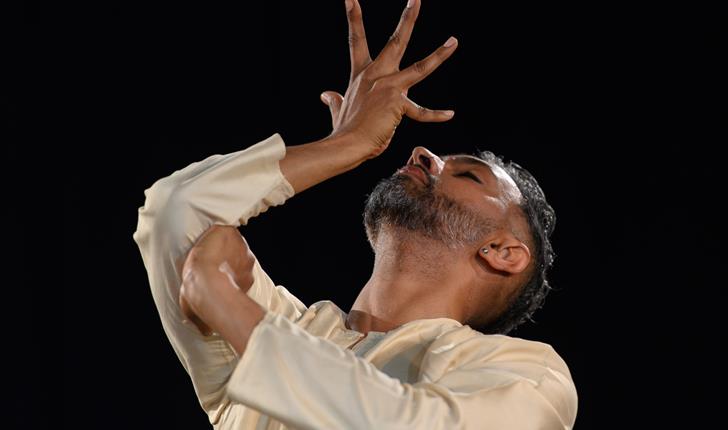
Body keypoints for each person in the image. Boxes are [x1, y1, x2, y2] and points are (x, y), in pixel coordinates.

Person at [133, 0, 578, 428]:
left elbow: (407, 424)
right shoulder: (294, 331)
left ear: (502, 252)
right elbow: (177, 211)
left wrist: (227, 306)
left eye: (468, 175)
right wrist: (343, 145)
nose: (424, 154)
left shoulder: (528, 376)